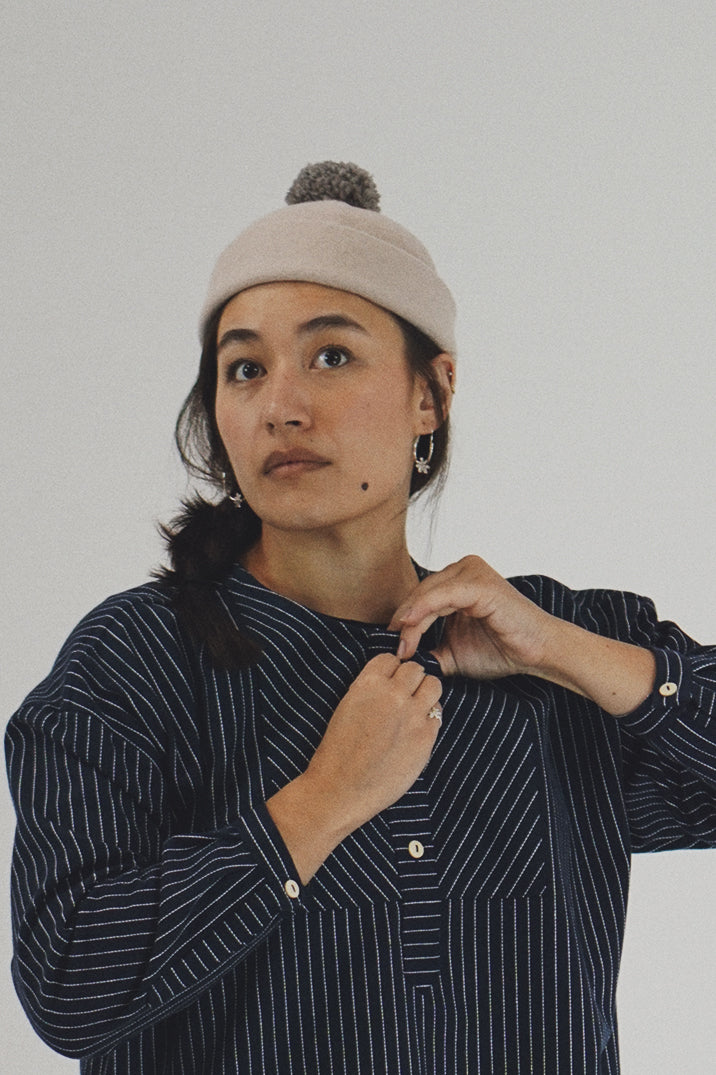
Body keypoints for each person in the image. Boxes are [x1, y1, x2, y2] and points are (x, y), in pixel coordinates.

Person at [5, 161, 716, 1075]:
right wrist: (321, 802)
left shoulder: (553, 655)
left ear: (432, 393)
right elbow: (69, 985)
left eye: (332, 356)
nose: (281, 407)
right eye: (245, 368)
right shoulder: (137, 662)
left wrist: (567, 652)